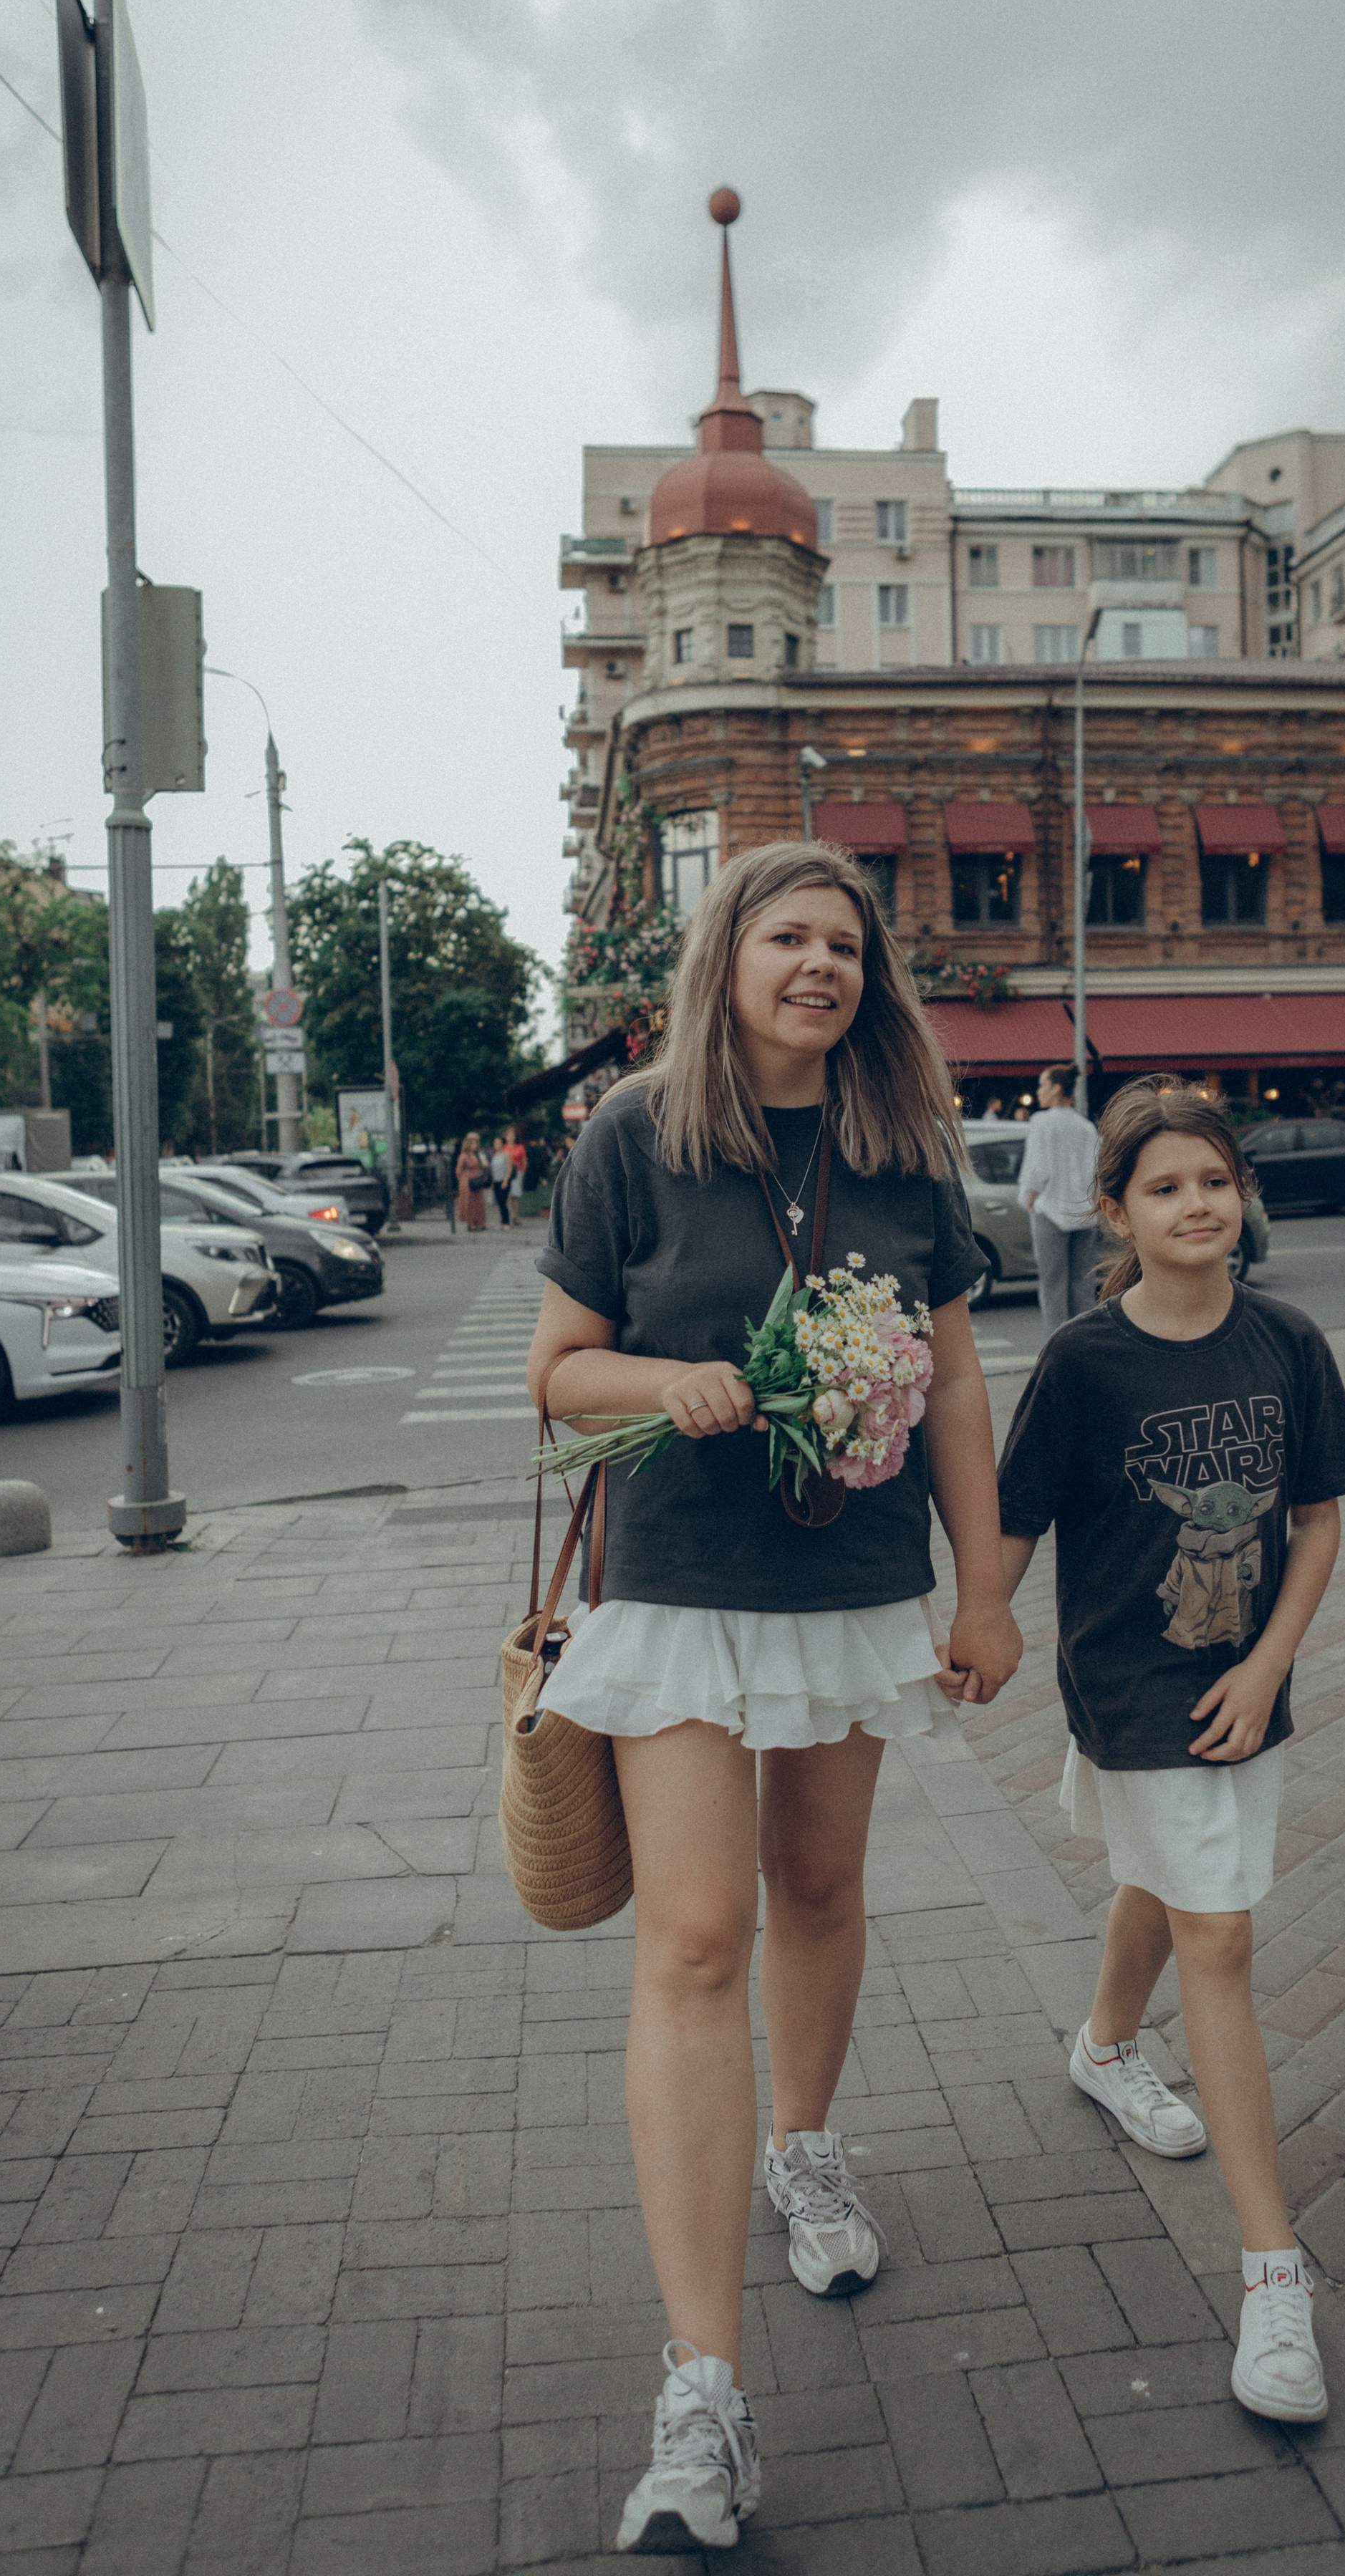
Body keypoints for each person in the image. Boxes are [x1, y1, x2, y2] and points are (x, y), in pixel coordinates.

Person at [526, 841, 1022, 2554]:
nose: (819, 961)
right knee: (690, 1939)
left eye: (845, 941)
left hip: (849, 1591)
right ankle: (702, 2389)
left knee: (818, 1888)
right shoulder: (633, 1137)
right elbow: (557, 1379)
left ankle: (803, 2149)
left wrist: (987, 1587)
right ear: (723, 954)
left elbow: (954, 1378)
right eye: (787, 933)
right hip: (675, 1592)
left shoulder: (903, 1152)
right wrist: (673, 1377)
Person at [996, 1074, 1345, 2427]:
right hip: (1133, 1681)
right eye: (1164, 1187)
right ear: (1115, 1211)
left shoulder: (1288, 1342)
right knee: (1219, 1935)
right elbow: (1017, 1519)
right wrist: (971, 1626)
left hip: (1243, 1685)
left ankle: (1103, 2047)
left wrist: (1271, 1660)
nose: (1195, 1203)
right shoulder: (1086, 1362)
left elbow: (1319, 1520)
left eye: (1214, 1179)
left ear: (1242, 1194)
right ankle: (1276, 2277)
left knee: (1163, 1881)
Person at [1021, 1062, 1102, 1338]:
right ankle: (1084, 1342)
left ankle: (1057, 1346)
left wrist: (1029, 1196)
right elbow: (1096, 1173)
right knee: (1083, 1286)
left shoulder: (1041, 1123)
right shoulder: (1086, 1127)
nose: (1039, 1091)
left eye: (1043, 1085)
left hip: (1051, 1211)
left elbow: (1037, 1169)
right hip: (1084, 1215)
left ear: (1057, 1089)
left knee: (1052, 1286)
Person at [454, 1132, 488, 1235]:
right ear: (469, 1144)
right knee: (469, 1203)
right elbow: (458, 1171)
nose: (476, 1145)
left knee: (478, 1202)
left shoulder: (478, 1155)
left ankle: (478, 1222)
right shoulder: (463, 1156)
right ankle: (471, 1223)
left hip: (477, 1180)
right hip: (468, 1181)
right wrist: (462, 1180)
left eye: (477, 1143)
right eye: (474, 1143)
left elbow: (483, 1165)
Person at [506, 1128, 528, 1227]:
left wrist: (522, 1172)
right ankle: (509, 1216)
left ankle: (515, 1216)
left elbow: (524, 1161)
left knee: (515, 1195)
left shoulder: (520, 1148)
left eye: (512, 1135)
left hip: (516, 1173)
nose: (511, 1137)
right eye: (509, 1135)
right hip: (506, 1174)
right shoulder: (504, 1148)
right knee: (507, 1195)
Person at [489, 1133, 511, 1226]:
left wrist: (506, 1181)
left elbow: (509, 1169)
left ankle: (506, 1222)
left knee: (503, 1201)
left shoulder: (506, 1155)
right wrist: (493, 1183)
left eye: (498, 1143)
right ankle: (502, 1221)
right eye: (495, 1144)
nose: (497, 1145)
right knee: (499, 1202)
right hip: (496, 1181)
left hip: (504, 1181)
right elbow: (493, 1170)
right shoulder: (494, 1156)